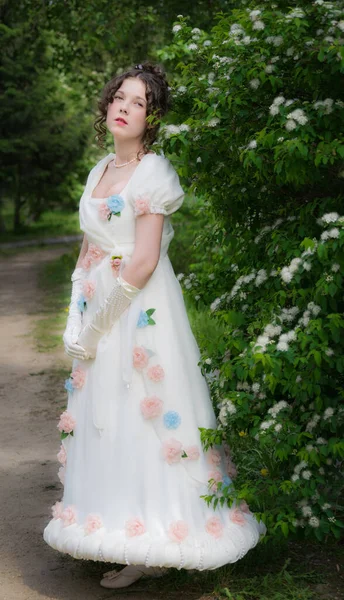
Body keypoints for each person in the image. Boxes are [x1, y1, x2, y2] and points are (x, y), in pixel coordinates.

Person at [43, 62, 266, 589]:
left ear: (152, 117)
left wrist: (98, 325)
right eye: (119, 97)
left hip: (137, 311)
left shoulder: (153, 172)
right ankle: (118, 525)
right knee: (106, 418)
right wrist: (76, 309)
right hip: (99, 301)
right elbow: (89, 246)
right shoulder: (100, 169)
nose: (123, 106)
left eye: (138, 102)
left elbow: (141, 261)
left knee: (144, 413)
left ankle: (159, 537)